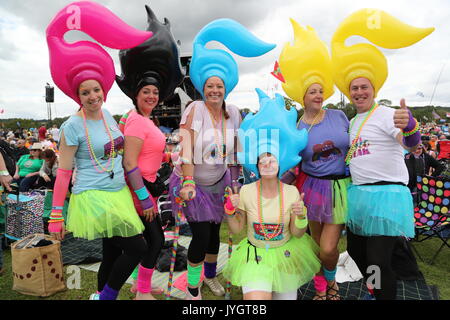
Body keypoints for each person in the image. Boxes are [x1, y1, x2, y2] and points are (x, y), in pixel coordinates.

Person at [46, 1, 153, 300]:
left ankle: (101, 295)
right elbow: (64, 172)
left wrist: (141, 194)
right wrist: (56, 214)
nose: (92, 96)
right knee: (137, 248)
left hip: (117, 191)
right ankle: (106, 297)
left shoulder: (108, 116)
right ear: (77, 94)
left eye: (96, 90)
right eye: (85, 92)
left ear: (103, 90)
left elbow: (122, 157)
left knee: (112, 252)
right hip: (93, 197)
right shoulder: (71, 126)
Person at [169, 18, 274, 300]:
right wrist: (189, 180)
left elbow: (236, 151)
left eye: (220, 86)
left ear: (226, 87)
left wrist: (236, 184)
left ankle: (211, 276)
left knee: (216, 234)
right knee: (201, 236)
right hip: (193, 183)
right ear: (203, 86)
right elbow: (187, 147)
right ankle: (193, 287)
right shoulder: (194, 109)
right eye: (210, 86)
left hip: (219, 182)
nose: (215, 90)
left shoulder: (234, 112)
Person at [330, 9, 433, 300]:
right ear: (350, 93)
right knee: (354, 252)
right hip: (359, 196)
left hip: (386, 196)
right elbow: (354, 155)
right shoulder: (352, 122)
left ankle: (381, 294)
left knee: (378, 259)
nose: (359, 92)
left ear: (373, 89)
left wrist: (411, 125)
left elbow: (411, 145)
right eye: (354, 88)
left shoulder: (388, 114)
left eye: (364, 87)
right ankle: (376, 290)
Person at [223, 89, 321, 300]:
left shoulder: (292, 191)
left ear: (280, 164)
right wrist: (231, 212)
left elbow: (297, 233)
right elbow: (237, 229)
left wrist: (301, 216)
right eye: (262, 160)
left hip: (285, 254)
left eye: (272, 160)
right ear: (256, 166)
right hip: (255, 257)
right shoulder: (247, 191)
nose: (267, 163)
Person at [277, 19, 350, 300]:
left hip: (339, 188)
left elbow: (354, 146)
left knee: (329, 248)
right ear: (302, 95)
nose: (318, 95)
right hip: (313, 188)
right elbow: (293, 162)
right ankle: (324, 287)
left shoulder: (339, 115)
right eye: (312, 91)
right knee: (317, 244)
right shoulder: (298, 127)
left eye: (321, 90)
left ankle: (330, 283)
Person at [116, 5, 184, 300]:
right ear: (136, 93)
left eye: (155, 93)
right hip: (137, 193)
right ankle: (141, 292)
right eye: (147, 92)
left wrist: (167, 162)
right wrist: (143, 196)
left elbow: (150, 153)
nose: (152, 96)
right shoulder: (134, 120)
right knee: (154, 243)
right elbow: (129, 161)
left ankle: (138, 286)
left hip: (149, 189)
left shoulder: (147, 120)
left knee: (150, 242)